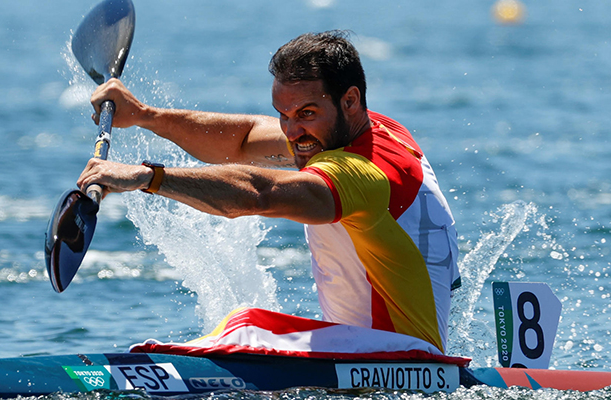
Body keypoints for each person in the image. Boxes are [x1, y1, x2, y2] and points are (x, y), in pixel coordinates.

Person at [77, 30, 461, 354]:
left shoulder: (362, 174)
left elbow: (259, 193)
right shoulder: (371, 131)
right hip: (386, 356)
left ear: (350, 100)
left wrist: (145, 177)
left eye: (306, 114)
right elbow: (243, 139)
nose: (291, 133)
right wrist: (144, 115)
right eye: (283, 115)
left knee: (246, 325)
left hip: (395, 361)